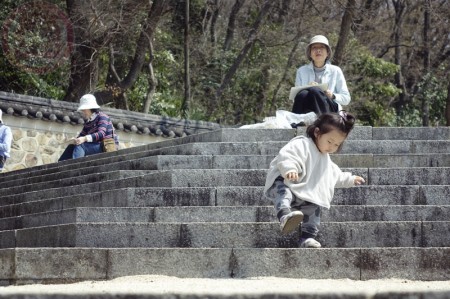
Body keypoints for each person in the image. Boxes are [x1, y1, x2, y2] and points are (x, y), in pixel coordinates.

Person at [263, 111, 365, 248]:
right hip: (286, 181)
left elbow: (335, 175)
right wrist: (290, 169)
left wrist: (351, 179)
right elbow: (287, 155)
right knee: (284, 193)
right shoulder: (302, 143)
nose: (332, 147)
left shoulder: (325, 159)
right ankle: (284, 215)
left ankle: (307, 238)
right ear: (317, 133)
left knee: (314, 208)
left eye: (337, 145)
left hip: (304, 191)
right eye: (329, 141)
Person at [292, 35, 351, 117]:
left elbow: (346, 99)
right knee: (303, 94)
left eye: (322, 47)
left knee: (315, 90)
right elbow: (296, 98)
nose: (318, 50)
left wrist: (332, 95)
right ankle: (296, 123)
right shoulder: (301, 71)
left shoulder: (336, 70)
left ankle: (324, 122)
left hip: (331, 111)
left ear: (327, 53)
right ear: (310, 53)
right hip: (308, 109)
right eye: (314, 48)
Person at [59, 94, 117, 161]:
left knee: (80, 145)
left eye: (84, 109)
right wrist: (74, 140)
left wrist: (84, 139)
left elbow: (101, 134)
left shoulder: (102, 117)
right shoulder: (88, 122)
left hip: (104, 146)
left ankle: (76, 167)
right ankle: (59, 166)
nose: (83, 111)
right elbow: (81, 136)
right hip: (94, 146)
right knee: (71, 147)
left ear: (90, 108)